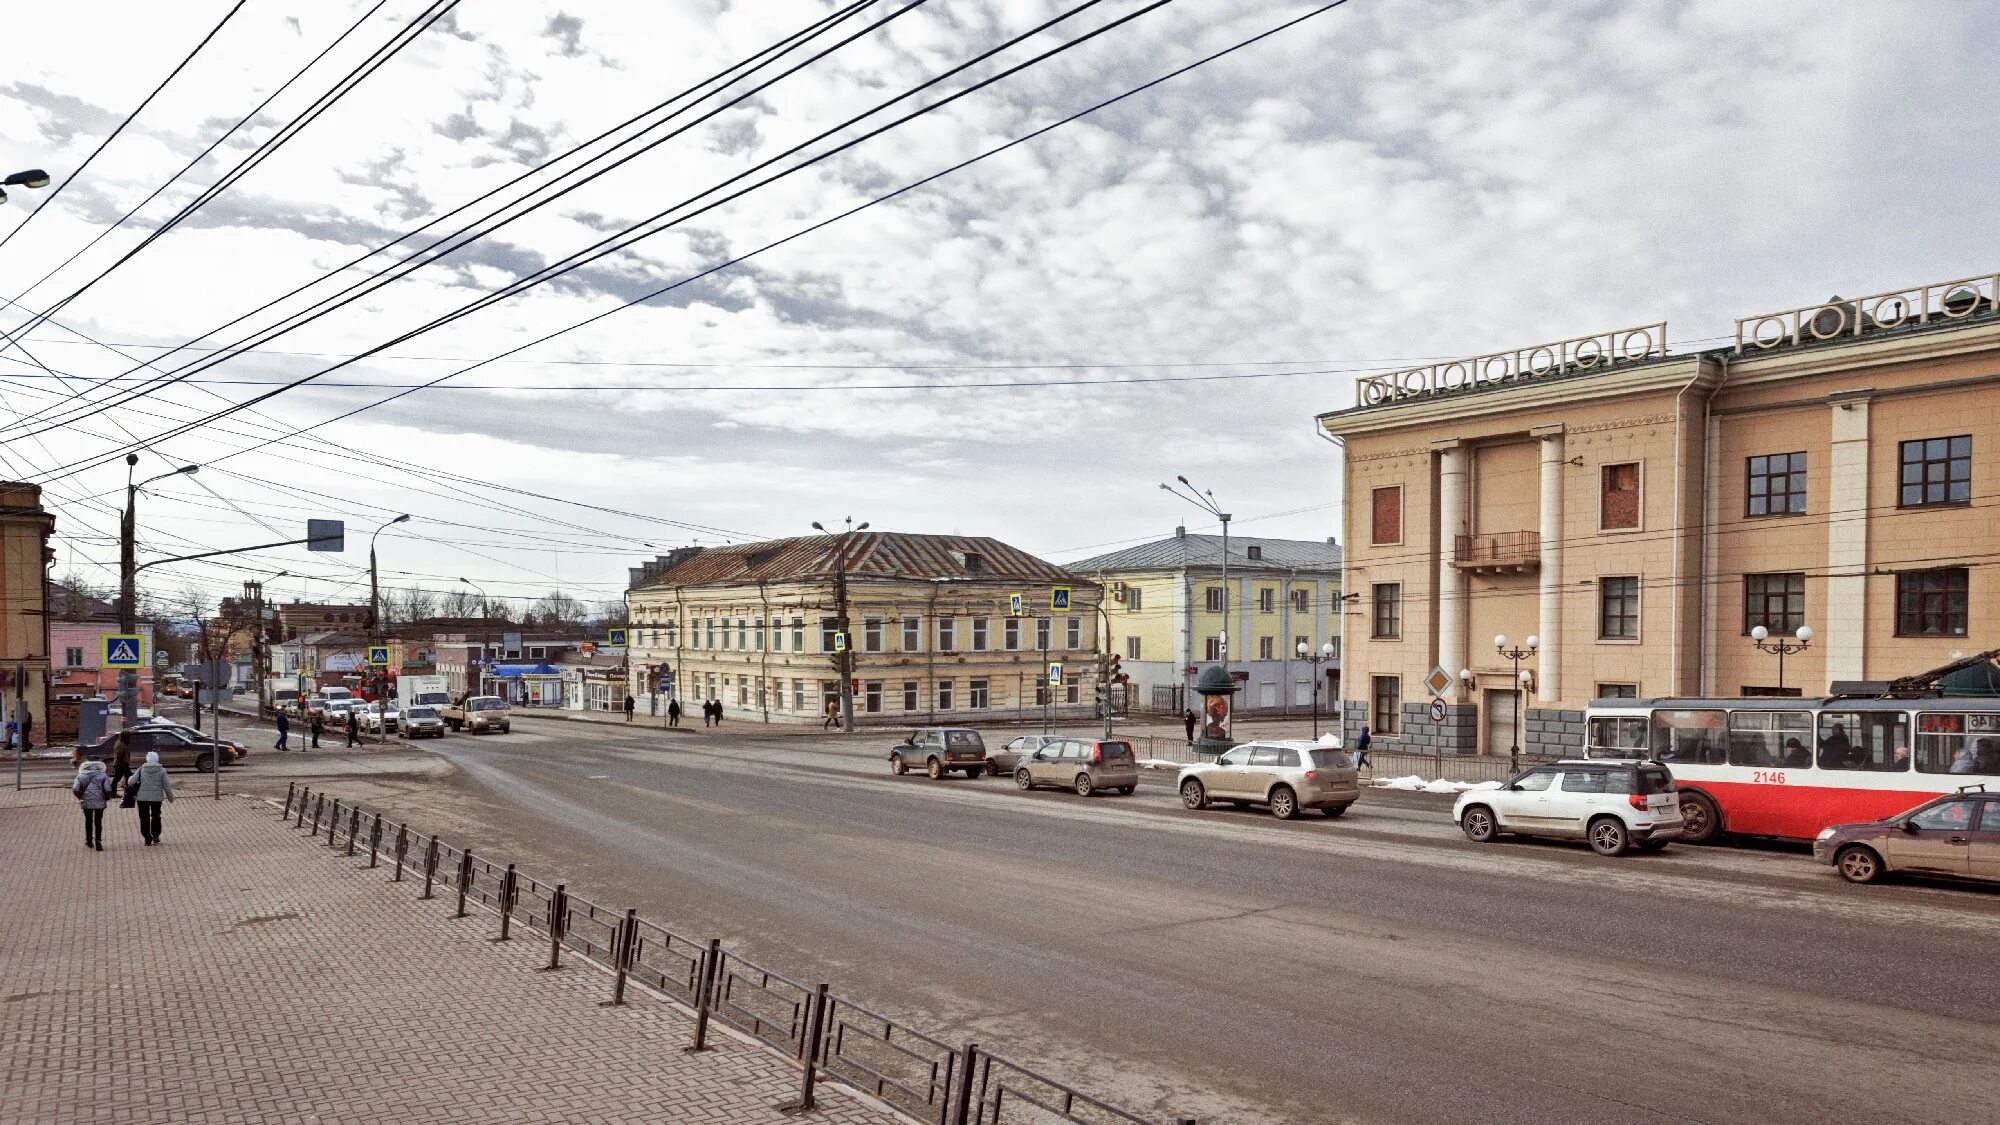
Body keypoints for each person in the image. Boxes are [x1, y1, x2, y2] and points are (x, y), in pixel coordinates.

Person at [131, 750, 175, 846]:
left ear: (147, 759)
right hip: (156, 798)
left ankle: (147, 837)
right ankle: (155, 835)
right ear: (157, 759)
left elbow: (131, 782)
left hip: (142, 799)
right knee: (156, 816)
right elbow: (167, 786)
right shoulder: (162, 770)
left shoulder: (141, 769)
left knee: (144, 817)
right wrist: (171, 798)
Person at [73, 759, 114, 851]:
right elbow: (108, 789)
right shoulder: (103, 775)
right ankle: (98, 841)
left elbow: (75, 789)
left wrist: (80, 797)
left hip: (86, 800)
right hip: (100, 800)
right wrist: (106, 798)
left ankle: (89, 841)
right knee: (98, 821)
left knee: (88, 820)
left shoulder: (81, 775)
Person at [109, 732, 134, 798]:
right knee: (128, 777)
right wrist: (125, 762)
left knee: (119, 778)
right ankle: (128, 792)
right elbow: (119, 756)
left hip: (121, 764)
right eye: (128, 736)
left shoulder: (121, 743)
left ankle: (114, 793)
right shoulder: (120, 744)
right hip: (121, 764)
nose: (129, 738)